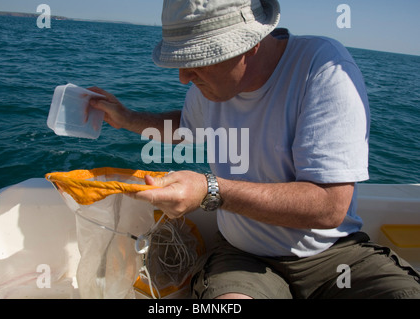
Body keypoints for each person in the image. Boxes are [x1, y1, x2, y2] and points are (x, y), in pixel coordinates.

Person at [89, 0, 420, 299]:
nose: (183, 76)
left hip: (334, 255)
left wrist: (210, 191)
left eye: (198, 58)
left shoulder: (322, 68)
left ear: (250, 43)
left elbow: (330, 206)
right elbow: (189, 128)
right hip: (241, 255)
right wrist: (128, 118)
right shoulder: (208, 88)